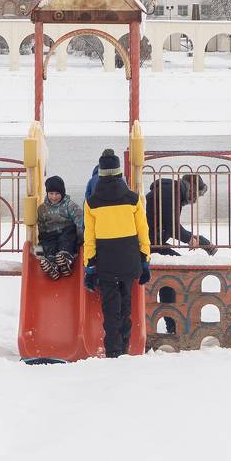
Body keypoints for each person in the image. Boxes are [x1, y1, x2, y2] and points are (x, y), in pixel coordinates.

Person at [82, 149, 151, 358]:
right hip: (129, 259)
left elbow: (89, 238)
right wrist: (145, 259)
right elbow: (143, 231)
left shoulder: (92, 203)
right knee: (126, 306)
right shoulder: (133, 199)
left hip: (106, 262)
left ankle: (113, 350)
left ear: (100, 174)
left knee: (111, 308)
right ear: (120, 173)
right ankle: (124, 346)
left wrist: (89, 266)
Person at [145, 173, 216, 255]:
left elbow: (170, 225)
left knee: (178, 260)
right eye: (197, 194)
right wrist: (189, 238)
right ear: (191, 188)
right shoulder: (170, 192)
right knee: (178, 261)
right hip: (147, 243)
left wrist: (197, 239)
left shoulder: (174, 192)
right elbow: (171, 226)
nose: (196, 198)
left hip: (153, 240)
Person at [34, 176, 84, 279]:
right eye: (51, 193)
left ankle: (65, 259)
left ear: (62, 193)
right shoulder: (42, 209)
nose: (54, 197)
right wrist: (41, 243)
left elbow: (80, 222)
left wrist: (80, 240)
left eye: (57, 193)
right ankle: (52, 264)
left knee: (66, 239)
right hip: (50, 235)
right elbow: (42, 228)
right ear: (47, 193)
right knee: (48, 243)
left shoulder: (70, 206)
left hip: (66, 232)